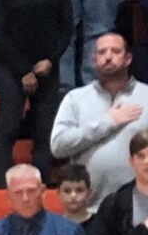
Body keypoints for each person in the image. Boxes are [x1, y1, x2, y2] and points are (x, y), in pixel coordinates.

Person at [0, 0, 76, 183]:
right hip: (11, 66)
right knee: (8, 127)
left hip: (47, 66)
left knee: (44, 131)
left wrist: (51, 60)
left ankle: (39, 184)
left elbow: (67, 26)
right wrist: (24, 70)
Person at [51, 27, 148, 205]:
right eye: (102, 52)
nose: (108, 57)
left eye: (116, 51)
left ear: (128, 59)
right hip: (89, 207)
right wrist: (107, 123)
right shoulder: (75, 99)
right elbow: (58, 146)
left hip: (142, 207)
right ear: (94, 60)